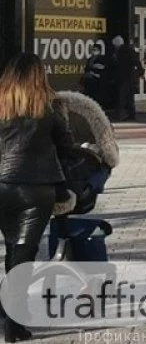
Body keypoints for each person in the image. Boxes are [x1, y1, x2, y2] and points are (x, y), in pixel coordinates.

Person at [0, 54, 76, 343]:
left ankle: (11, 312)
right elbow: (67, 146)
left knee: (13, 249)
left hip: (2, 184)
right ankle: (14, 322)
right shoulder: (48, 107)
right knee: (24, 252)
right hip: (37, 188)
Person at [111, 36, 141, 122]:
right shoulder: (129, 50)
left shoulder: (121, 51)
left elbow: (119, 65)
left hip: (124, 77)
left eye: (115, 45)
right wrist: (140, 71)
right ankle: (131, 114)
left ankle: (120, 114)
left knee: (122, 96)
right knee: (129, 97)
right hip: (129, 77)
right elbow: (136, 61)